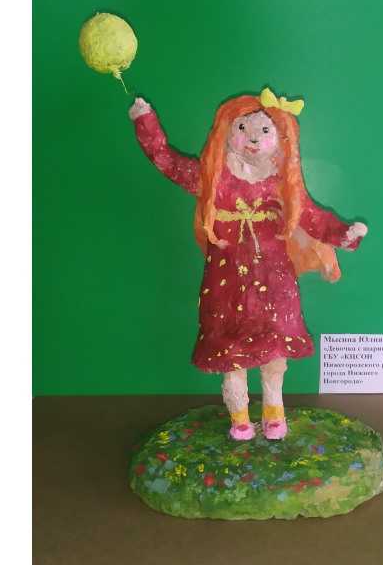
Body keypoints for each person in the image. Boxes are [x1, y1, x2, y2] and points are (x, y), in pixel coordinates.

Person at [130, 88, 367, 440]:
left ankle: (274, 411)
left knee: (274, 348)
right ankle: (239, 417)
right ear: (226, 131)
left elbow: (312, 217)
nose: (253, 139)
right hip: (226, 279)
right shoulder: (212, 176)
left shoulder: (281, 182)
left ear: (280, 138)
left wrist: (343, 234)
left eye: (264, 131)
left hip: (274, 277)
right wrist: (145, 121)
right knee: (232, 350)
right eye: (243, 129)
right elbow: (168, 162)